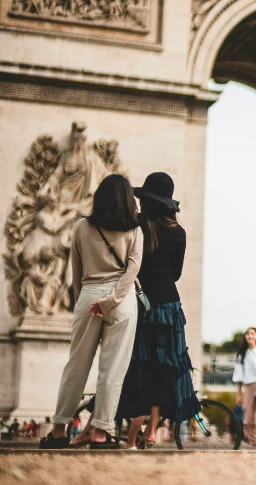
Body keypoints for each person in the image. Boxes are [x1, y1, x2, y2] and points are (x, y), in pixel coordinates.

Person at [41, 174, 143, 450]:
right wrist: (112, 300)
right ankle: (100, 432)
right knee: (112, 370)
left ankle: (59, 429)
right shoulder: (135, 229)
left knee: (76, 366)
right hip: (122, 301)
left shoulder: (81, 228)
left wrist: (84, 301)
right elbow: (132, 270)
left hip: (89, 296)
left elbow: (75, 271)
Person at [120, 172, 201, 450]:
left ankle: (131, 434)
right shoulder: (179, 232)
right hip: (169, 305)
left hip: (141, 302)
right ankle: (152, 429)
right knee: (165, 369)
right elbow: (176, 273)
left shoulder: (137, 227)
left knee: (140, 366)